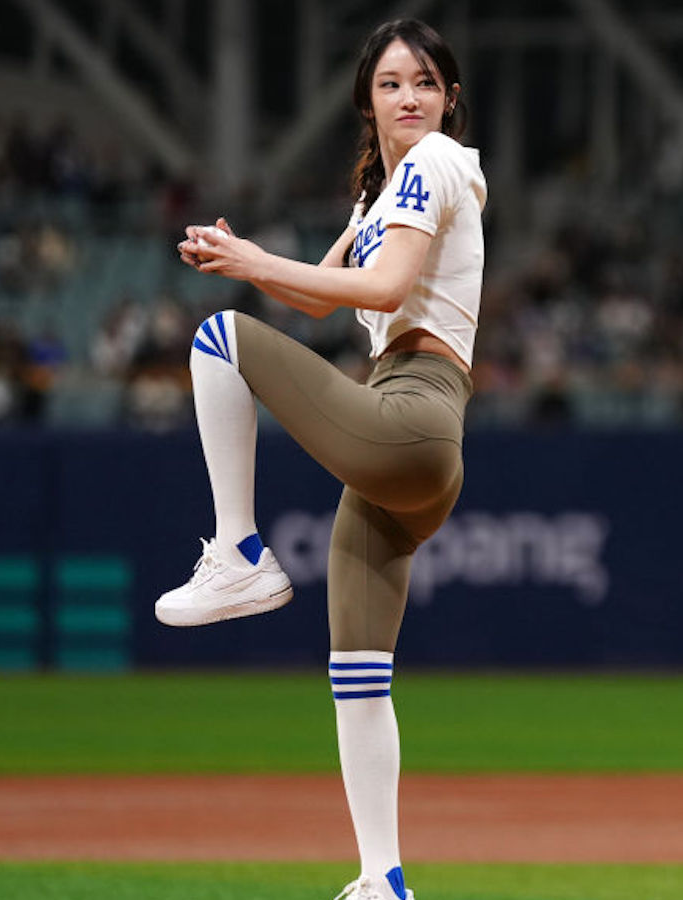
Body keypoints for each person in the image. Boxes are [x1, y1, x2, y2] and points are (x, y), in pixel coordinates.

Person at [155, 18, 484, 900]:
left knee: (220, 341)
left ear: (449, 97)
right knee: (358, 675)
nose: (409, 97)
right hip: (405, 452)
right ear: (366, 101)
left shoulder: (439, 161)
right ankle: (384, 879)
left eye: (424, 81)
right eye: (390, 83)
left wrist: (254, 268)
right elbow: (316, 297)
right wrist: (249, 263)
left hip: (413, 411)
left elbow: (378, 292)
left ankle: (238, 554)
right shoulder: (377, 198)